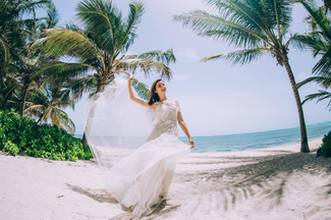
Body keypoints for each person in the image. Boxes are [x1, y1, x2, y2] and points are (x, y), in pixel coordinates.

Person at [105, 75, 195, 217]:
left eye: (163, 84)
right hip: (158, 138)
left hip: (171, 138)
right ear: (155, 91)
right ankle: (151, 195)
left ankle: (162, 194)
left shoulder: (175, 102)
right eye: (159, 85)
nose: (162, 86)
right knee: (155, 166)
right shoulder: (155, 105)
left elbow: (181, 121)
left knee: (169, 167)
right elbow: (133, 98)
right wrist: (129, 83)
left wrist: (190, 136)